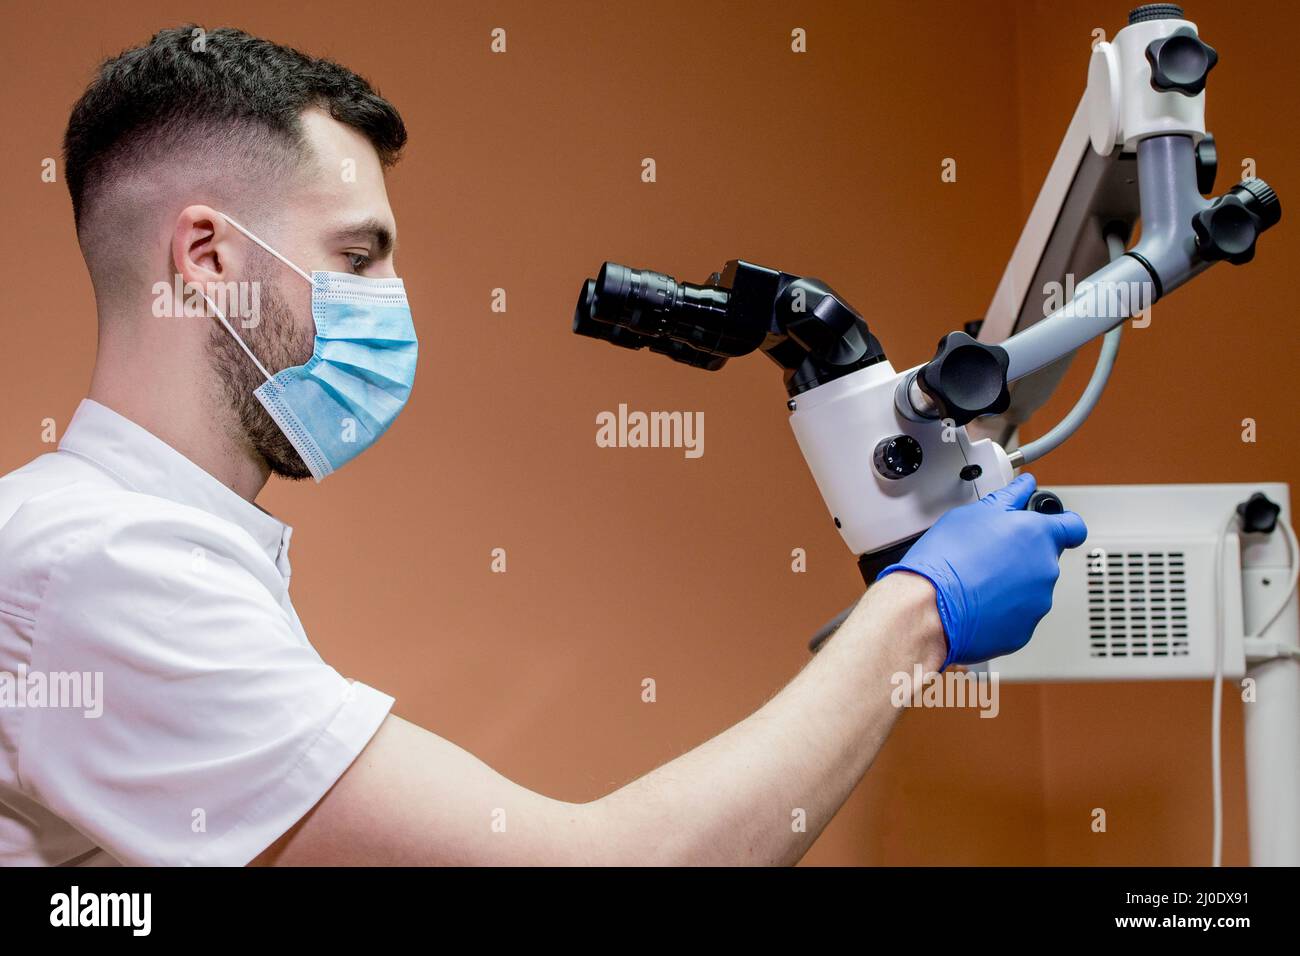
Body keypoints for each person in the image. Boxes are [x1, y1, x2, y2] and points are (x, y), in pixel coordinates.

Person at [0, 26, 1086, 866]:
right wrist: (916, 616)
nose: (394, 300)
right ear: (205, 257)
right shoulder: (108, 568)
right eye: (359, 254)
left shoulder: (138, 547)